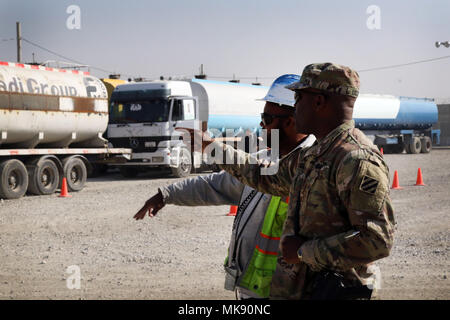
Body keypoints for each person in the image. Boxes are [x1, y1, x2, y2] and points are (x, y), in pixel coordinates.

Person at [186, 63, 396, 300]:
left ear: (318, 102)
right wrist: (211, 147)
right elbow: (264, 175)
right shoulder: (314, 154)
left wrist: (303, 251)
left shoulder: (356, 160)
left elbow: (377, 240)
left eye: (298, 98)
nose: (294, 107)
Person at [133, 74, 316, 299]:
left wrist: (211, 147)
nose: (261, 125)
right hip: (256, 288)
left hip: (289, 292)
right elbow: (215, 185)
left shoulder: (312, 167)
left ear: (290, 122)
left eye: (266, 118)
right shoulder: (264, 161)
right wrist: (166, 194)